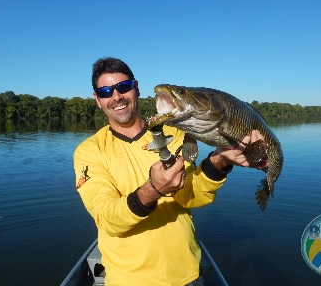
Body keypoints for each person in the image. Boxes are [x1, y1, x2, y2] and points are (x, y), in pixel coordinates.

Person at [74, 57, 267, 286]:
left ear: (136, 88)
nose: (116, 97)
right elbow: (107, 219)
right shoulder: (89, 152)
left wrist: (220, 161)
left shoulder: (175, 134)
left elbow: (189, 196)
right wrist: (153, 190)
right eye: (106, 91)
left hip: (187, 275)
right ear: (97, 99)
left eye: (123, 87)